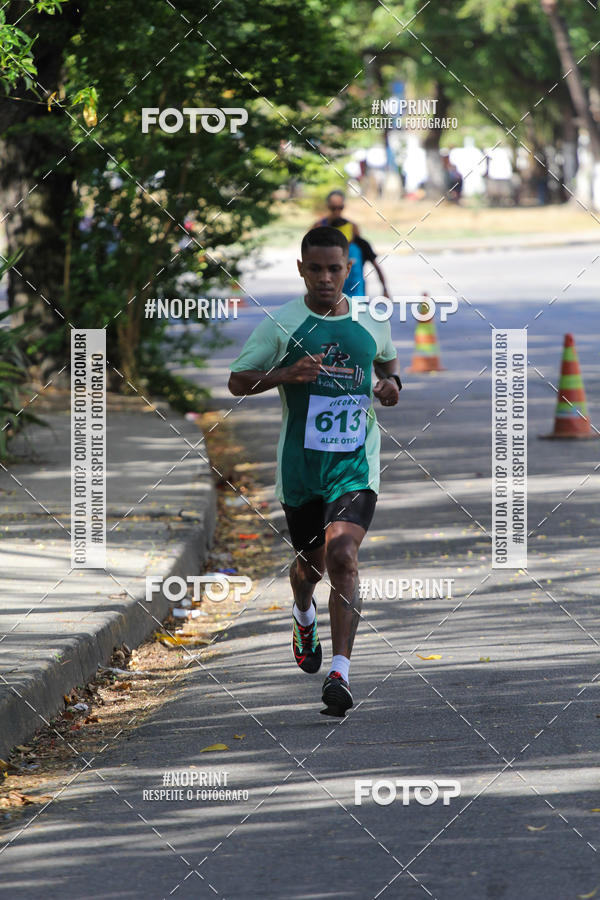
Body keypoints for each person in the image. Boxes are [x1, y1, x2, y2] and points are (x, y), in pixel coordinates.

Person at [228, 226, 401, 716]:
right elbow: (237, 380)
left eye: (335, 269)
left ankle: (340, 674)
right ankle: (303, 613)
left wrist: (391, 386)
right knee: (310, 568)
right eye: (316, 269)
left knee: (343, 555)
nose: (326, 278)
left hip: (354, 466)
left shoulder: (373, 319)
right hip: (301, 471)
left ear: (349, 270)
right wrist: (286, 374)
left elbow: (387, 365)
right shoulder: (281, 323)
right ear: (301, 269)